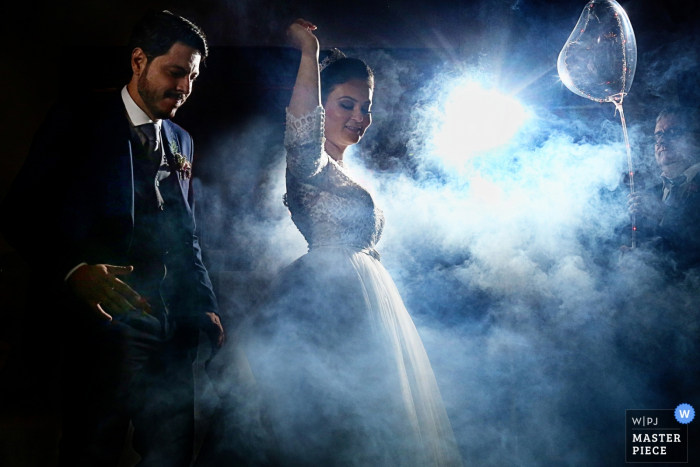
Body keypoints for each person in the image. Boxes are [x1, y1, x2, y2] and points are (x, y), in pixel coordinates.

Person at [205, 19, 463, 467]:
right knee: (327, 423)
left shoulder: (344, 174)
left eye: (366, 107)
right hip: (324, 303)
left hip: (364, 309)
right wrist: (309, 52)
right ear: (321, 109)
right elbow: (302, 126)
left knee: (368, 423)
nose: (360, 117)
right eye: (346, 104)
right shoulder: (307, 162)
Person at [0, 10, 224, 466]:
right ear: (139, 61)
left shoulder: (182, 138)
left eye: (193, 77)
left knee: (172, 454)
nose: (185, 88)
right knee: (91, 453)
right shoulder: (79, 117)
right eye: (175, 72)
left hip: (174, 325)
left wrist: (205, 304)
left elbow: (187, 232)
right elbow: (19, 212)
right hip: (104, 325)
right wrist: (75, 269)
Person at [628, 107, 700, 274]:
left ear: (696, 138)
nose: (661, 141)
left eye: (673, 132)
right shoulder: (653, 192)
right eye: (658, 135)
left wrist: (664, 213)